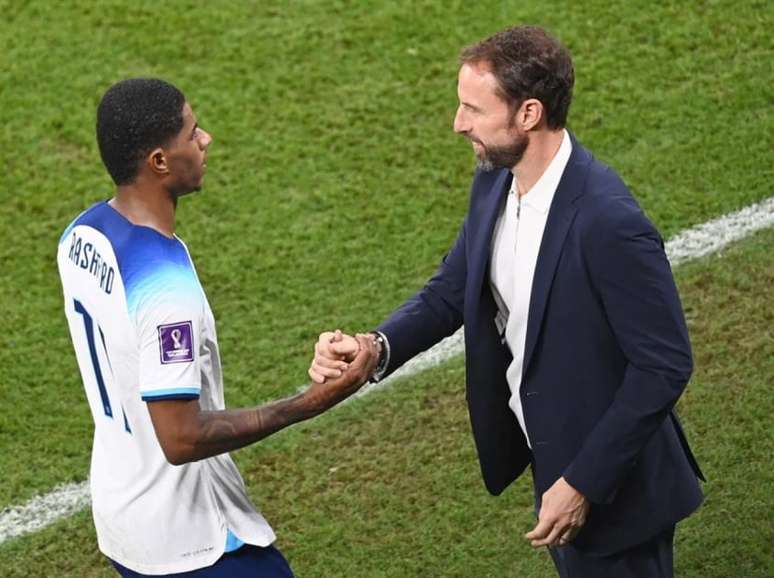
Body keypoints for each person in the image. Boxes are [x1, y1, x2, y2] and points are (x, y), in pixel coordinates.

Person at [309, 25, 704, 577]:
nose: (457, 123)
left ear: (529, 114)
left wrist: (584, 481)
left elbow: (664, 364)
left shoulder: (608, 222)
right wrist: (375, 347)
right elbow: (453, 288)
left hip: (615, 489)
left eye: (473, 108)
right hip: (556, 464)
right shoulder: (495, 181)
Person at [57, 78, 377, 577]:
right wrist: (310, 402)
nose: (205, 140)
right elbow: (181, 439)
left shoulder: (82, 235)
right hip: (188, 542)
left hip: (123, 517)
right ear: (159, 162)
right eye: (191, 133)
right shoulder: (167, 291)